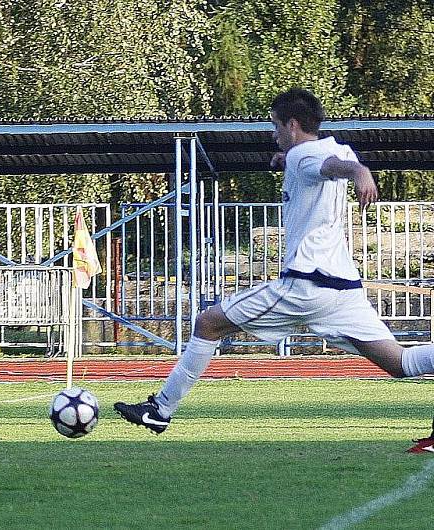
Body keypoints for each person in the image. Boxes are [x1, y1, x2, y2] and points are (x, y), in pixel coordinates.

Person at [114, 88, 434, 453]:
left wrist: (358, 172)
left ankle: (161, 409)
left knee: (208, 323)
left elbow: (329, 167)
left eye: (275, 125)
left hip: (306, 285)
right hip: (344, 290)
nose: (273, 133)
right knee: (401, 363)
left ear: (293, 125)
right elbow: (326, 163)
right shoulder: (331, 148)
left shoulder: (309, 157)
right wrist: (292, 159)